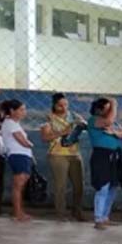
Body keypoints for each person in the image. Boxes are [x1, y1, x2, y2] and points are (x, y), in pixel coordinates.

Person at [41, 94, 87, 222]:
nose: (64, 107)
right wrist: (62, 133)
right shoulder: (49, 118)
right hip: (57, 155)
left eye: (66, 105)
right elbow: (45, 137)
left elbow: (85, 124)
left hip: (74, 154)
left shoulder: (73, 116)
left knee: (79, 185)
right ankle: (60, 213)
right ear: (54, 105)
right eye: (60, 105)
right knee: (60, 186)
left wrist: (82, 124)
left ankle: (77, 210)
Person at [87, 97, 122, 230]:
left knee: (113, 187)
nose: (110, 111)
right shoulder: (94, 120)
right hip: (102, 156)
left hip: (114, 156)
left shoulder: (110, 124)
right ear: (99, 110)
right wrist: (114, 104)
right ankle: (98, 218)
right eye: (107, 109)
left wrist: (117, 133)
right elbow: (109, 121)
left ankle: (105, 216)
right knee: (103, 187)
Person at [0, 100, 35, 223]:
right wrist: (30, 144)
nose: (24, 112)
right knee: (18, 186)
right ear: (12, 111)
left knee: (20, 186)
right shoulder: (10, 124)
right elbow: (23, 141)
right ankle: (17, 213)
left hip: (22, 156)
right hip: (18, 155)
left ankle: (18, 211)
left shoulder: (14, 124)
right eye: (21, 109)